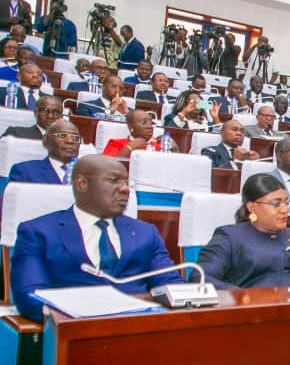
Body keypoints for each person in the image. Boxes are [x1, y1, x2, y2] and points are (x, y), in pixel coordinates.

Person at [11, 154, 182, 321]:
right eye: (114, 181)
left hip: (141, 326)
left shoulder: (145, 233)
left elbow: (171, 286)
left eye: (126, 183)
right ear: (82, 183)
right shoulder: (39, 232)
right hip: (75, 329)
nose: (125, 189)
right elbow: (30, 296)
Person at [194, 174, 290, 290]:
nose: (284, 210)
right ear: (252, 207)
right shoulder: (229, 237)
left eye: (286, 203)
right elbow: (200, 277)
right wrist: (241, 296)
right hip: (250, 307)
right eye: (276, 204)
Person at [9, 120, 80, 184]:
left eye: (75, 138)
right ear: (45, 141)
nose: (70, 141)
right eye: (62, 135)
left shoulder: (86, 171)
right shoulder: (25, 171)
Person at [104, 109, 180, 157]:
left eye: (151, 123)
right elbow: (108, 166)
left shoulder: (159, 146)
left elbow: (174, 167)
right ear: (130, 126)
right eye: (144, 123)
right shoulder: (116, 144)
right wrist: (130, 147)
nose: (150, 126)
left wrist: (174, 148)